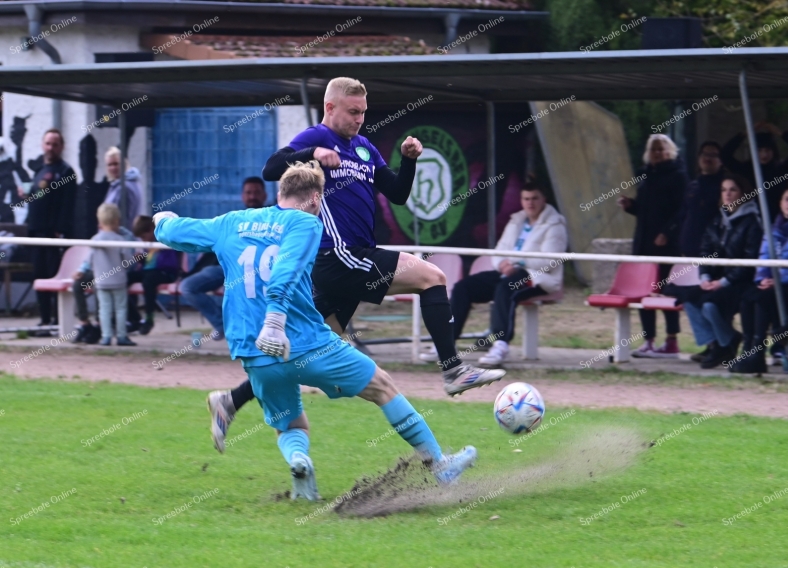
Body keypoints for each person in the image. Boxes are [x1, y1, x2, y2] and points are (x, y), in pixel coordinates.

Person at [154, 161, 477, 500]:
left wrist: (163, 220)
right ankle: (440, 466)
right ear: (315, 199)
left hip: (253, 353)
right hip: (307, 343)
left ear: (279, 193)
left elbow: (174, 233)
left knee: (290, 424)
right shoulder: (306, 223)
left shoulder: (231, 222)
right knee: (382, 387)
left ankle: (301, 470)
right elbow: (287, 269)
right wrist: (276, 320)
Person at [261, 76, 504, 395]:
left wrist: (409, 161)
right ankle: (454, 370)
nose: (360, 119)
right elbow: (270, 169)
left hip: (349, 260)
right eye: (352, 112)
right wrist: (313, 153)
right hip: (339, 255)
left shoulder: (363, 148)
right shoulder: (316, 136)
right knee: (431, 276)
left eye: (363, 112)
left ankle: (232, 398)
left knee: (311, 347)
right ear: (330, 107)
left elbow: (398, 193)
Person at [419, 180, 567, 367]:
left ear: (544, 199)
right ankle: (445, 345)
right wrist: (502, 264)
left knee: (506, 289)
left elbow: (549, 260)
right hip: (507, 271)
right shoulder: (517, 220)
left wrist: (517, 261)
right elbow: (499, 251)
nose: (530, 203)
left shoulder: (556, 224)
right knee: (463, 287)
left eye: (535, 198)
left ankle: (500, 345)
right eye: (526, 198)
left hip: (537, 276)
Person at [618, 134, 688, 358]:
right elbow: (646, 210)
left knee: (666, 291)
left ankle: (671, 341)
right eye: (653, 149)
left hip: (667, 245)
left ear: (670, 150)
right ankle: (648, 340)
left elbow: (682, 211)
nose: (657, 153)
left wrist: (667, 233)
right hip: (644, 241)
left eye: (661, 148)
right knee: (643, 291)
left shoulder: (678, 176)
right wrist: (631, 206)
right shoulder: (646, 175)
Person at [683, 174, 762, 369]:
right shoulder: (717, 219)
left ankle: (723, 345)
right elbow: (706, 251)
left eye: (732, 189)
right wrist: (705, 276)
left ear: (743, 193)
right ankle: (721, 342)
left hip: (741, 282)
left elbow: (749, 261)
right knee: (689, 300)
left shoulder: (752, 222)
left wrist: (724, 281)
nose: (727, 194)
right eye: (724, 190)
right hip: (717, 280)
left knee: (710, 305)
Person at [179, 177, 267, 339]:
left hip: (255, 270)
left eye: (256, 192)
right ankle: (223, 325)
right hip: (224, 268)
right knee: (187, 286)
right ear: (242, 196)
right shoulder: (233, 220)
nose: (252, 196)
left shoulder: (272, 220)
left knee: (234, 288)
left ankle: (248, 333)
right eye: (248, 193)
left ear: (265, 195)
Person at [731, 185, 788, 373]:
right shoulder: (773, 228)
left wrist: (779, 280)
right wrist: (762, 277)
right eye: (787, 199)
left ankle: (758, 353)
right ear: (780, 203)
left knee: (762, 299)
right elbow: (764, 256)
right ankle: (748, 350)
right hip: (772, 282)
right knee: (747, 298)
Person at [16, 129, 77, 335]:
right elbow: (39, 198)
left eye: (55, 144)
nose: (51, 148)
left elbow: (68, 205)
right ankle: (44, 321)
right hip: (36, 233)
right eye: (48, 143)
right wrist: (26, 195)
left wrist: (60, 232)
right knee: (39, 276)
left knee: (55, 276)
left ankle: (59, 322)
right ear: (43, 145)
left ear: (62, 147)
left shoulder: (66, 172)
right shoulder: (39, 171)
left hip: (54, 235)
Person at [71, 222, 138, 344]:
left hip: (110, 275)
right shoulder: (103, 237)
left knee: (104, 305)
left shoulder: (123, 236)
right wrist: (81, 270)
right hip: (104, 274)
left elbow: (127, 260)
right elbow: (89, 259)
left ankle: (101, 329)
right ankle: (85, 323)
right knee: (78, 285)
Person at [721, 122, 788, 220]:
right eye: (759, 150)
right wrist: (745, 133)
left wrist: (780, 133)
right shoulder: (746, 170)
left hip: (778, 222)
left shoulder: (782, 170)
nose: (764, 155)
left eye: (767, 150)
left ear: (773, 151)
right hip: (752, 221)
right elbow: (724, 155)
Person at [86, 204, 137, 346]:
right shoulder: (120, 240)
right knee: (120, 308)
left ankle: (106, 336)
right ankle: (121, 336)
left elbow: (89, 260)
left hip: (101, 281)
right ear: (116, 221)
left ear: (100, 222)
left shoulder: (95, 240)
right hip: (118, 280)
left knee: (104, 309)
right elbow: (127, 261)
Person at [126, 216, 181, 336]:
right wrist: (141, 259)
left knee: (148, 281)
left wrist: (160, 250)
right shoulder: (148, 244)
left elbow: (171, 263)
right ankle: (134, 318)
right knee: (124, 279)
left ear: (151, 229)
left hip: (166, 273)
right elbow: (149, 262)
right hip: (149, 272)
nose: (143, 240)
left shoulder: (166, 240)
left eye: (144, 237)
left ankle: (149, 318)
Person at [676, 141, 726, 258]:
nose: (708, 158)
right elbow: (683, 215)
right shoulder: (692, 185)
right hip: (689, 247)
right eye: (704, 154)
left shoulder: (725, 186)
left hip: (712, 250)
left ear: (721, 161)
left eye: (713, 155)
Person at [102, 146, 142, 231]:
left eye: (116, 163)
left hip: (119, 239)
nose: (113, 168)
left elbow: (117, 219)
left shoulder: (123, 187)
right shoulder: (129, 183)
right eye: (110, 165)